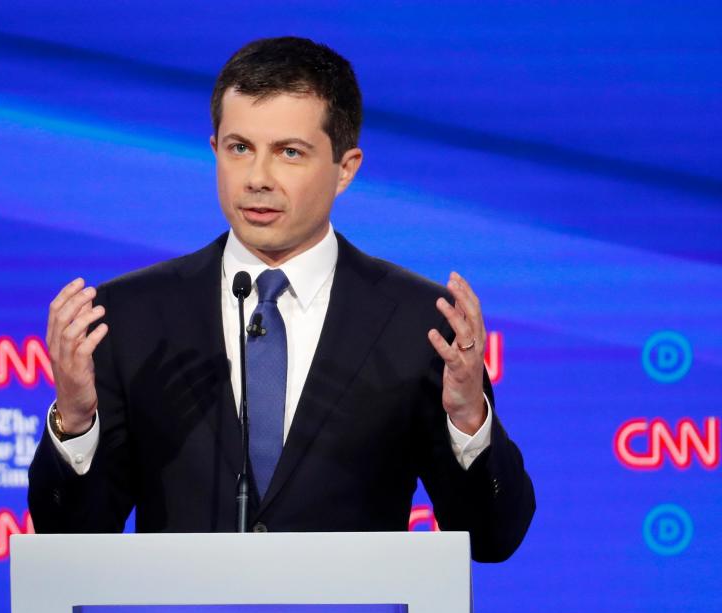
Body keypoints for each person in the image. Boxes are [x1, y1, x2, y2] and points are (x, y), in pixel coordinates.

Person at [28, 36, 534, 561]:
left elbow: (493, 538)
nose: (257, 179)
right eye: (239, 148)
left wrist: (469, 419)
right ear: (214, 151)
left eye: (289, 153)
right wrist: (76, 421)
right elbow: (70, 544)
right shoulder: (129, 317)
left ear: (345, 168)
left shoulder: (418, 323)